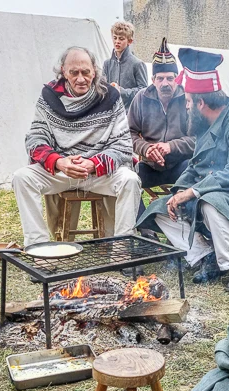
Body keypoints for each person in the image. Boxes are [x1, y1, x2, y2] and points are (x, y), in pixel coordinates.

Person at [137, 48, 229, 293]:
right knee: (159, 209)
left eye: (188, 102)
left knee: (210, 202)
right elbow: (195, 166)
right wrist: (177, 194)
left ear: (201, 102)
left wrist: (191, 193)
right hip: (212, 190)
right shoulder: (204, 126)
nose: (186, 107)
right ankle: (205, 256)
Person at [13, 46, 141, 248]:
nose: (81, 78)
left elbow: (122, 144)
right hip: (62, 171)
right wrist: (59, 162)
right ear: (63, 71)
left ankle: (122, 249)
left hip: (98, 172)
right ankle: (39, 248)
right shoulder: (49, 97)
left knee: (130, 180)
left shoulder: (110, 97)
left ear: (94, 71)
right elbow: (36, 137)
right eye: (74, 72)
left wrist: (92, 163)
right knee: (22, 178)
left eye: (85, 72)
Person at [128, 38, 195, 191]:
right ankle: (144, 216)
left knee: (196, 176)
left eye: (170, 78)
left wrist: (170, 146)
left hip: (181, 165)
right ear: (153, 80)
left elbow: (198, 139)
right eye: (160, 78)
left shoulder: (188, 99)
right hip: (149, 166)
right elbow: (128, 133)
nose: (165, 83)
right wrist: (146, 149)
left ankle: (179, 214)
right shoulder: (141, 98)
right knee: (127, 181)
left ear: (177, 80)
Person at [103, 21, 149, 108]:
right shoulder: (107, 64)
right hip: (111, 113)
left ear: (130, 41)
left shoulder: (138, 64)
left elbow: (144, 91)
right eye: (115, 38)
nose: (117, 41)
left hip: (130, 114)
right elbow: (102, 88)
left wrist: (122, 91)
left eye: (121, 39)